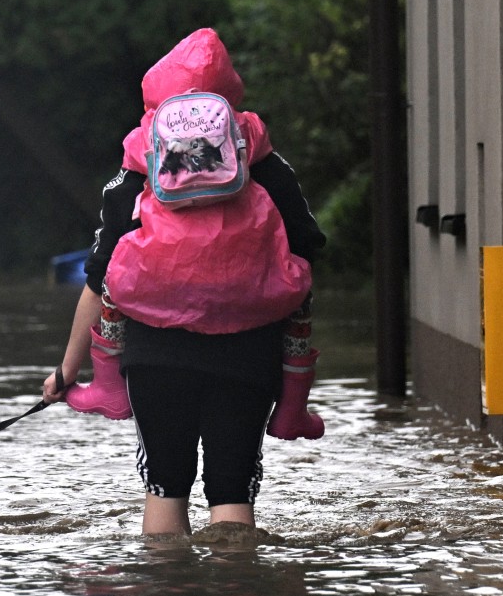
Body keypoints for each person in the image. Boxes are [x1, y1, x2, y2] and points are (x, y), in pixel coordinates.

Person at [42, 28, 325, 534]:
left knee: (165, 489)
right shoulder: (266, 164)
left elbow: (99, 275)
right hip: (250, 351)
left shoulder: (137, 168)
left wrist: (68, 370)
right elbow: (306, 251)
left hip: (155, 355)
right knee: (233, 490)